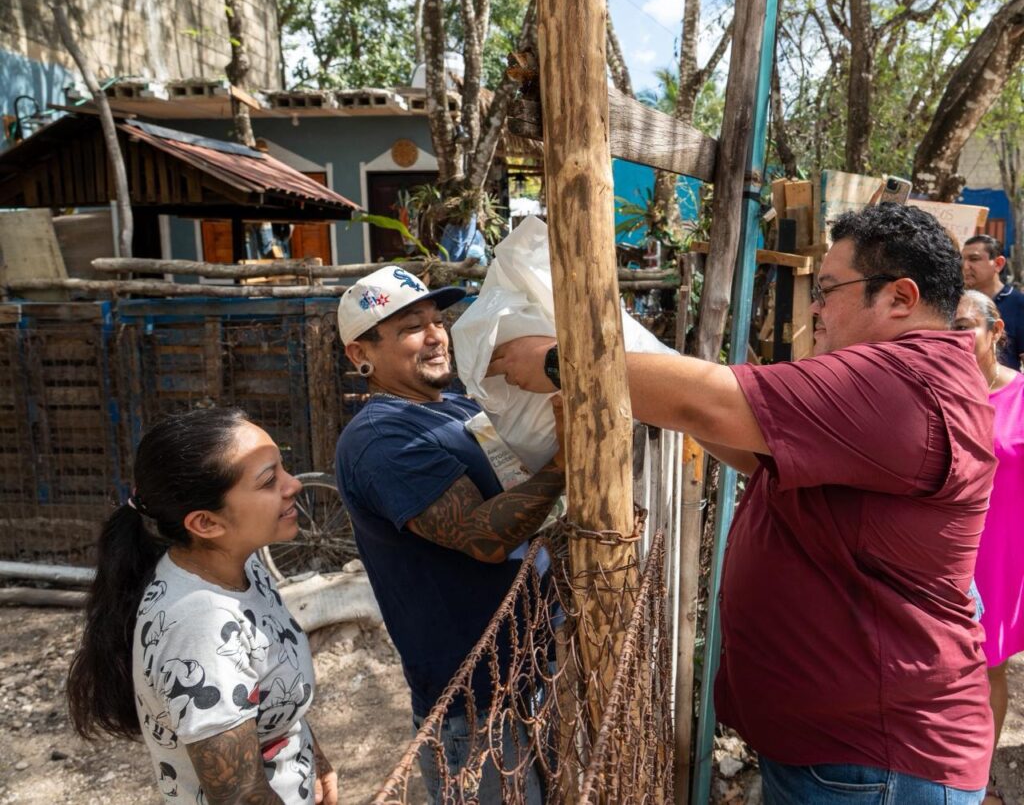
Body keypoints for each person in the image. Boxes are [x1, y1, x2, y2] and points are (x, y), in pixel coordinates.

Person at [489, 203, 996, 804]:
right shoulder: (909, 380)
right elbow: (762, 456)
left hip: (876, 762)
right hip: (853, 751)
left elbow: (711, 403)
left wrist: (559, 363)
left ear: (900, 298)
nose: (815, 306)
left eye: (830, 289)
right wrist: (674, 397)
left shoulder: (901, 381)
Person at [333, 265, 564, 804]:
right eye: (411, 327)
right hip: (475, 705)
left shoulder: (456, 406)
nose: (436, 336)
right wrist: (567, 464)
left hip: (528, 671)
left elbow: (516, 495)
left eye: (437, 321)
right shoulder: (380, 439)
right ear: (359, 354)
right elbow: (484, 536)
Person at [66, 407, 337, 805]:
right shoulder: (200, 628)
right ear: (206, 524)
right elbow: (240, 794)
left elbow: (269, 695)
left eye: (283, 468)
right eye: (268, 481)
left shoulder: (244, 569)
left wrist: (314, 758)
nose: (293, 484)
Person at [953, 290, 1024, 805]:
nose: (955, 339)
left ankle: (974, 785)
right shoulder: (938, 391)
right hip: (939, 541)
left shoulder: (1021, 397)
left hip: (1001, 548)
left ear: (995, 332)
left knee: (987, 664)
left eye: (965, 327)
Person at [962, 234, 1024, 369]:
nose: (965, 266)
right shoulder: (958, 303)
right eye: (962, 260)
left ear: (998, 264)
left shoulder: (1018, 303)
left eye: (974, 259)